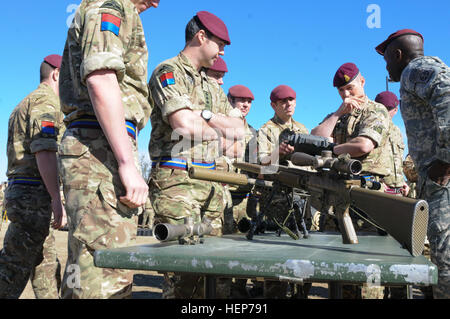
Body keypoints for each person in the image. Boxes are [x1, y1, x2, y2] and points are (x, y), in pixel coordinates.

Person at [58, 0, 160, 299]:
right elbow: (101, 78)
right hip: (100, 148)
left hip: (101, 144)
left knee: (92, 267)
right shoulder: (112, 7)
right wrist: (127, 163)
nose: (157, 3)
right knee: (103, 274)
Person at [148, 11, 244, 299]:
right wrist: (217, 128)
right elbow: (183, 124)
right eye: (220, 43)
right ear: (201, 36)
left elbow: (238, 129)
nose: (223, 52)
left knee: (216, 275)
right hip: (177, 182)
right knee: (182, 277)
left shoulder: (210, 87)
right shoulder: (168, 71)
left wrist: (204, 115)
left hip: (212, 187)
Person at [376, 28, 449, 299]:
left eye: (387, 61)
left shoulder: (415, 70)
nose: (387, 69)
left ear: (398, 55)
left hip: (443, 179)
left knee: (445, 254)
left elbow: (448, 94)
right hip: (435, 180)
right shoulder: (420, 73)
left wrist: (446, 159)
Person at [311, 62, 392, 299]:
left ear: (363, 82)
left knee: (369, 271)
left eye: (351, 88)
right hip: (338, 194)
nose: (347, 95)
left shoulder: (375, 111)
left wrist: (333, 150)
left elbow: (364, 145)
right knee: (340, 269)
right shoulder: (339, 115)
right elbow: (315, 136)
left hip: (368, 196)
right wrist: (338, 113)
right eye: (341, 91)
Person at [0, 54, 66, 299]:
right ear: (57, 74)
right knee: (12, 270)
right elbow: (45, 151)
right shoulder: (46, 102)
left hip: (26, 193)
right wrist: (56, 199)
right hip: (34, 197)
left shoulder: (23, 103)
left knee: (46, 267)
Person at [257, 85, 310, 299]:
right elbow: (262, 164)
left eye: (292, 100)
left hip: (303, 195)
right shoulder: (266, 130)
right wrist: (279, 152)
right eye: (283, 101)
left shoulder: (302, 129)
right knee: (277, 254)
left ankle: (301, 294)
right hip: (277, 198)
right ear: (273, 105)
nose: (289, 104)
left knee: (305, 253)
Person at [374, 91, 409, 197]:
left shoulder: (397, 132)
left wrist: (402, 181)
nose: (385, 113)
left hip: (398, 191)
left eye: (388, 109)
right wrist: (375, 182)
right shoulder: (373, 128)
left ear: (396, 110)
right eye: (382, 108)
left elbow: (397, 159)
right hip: (378, 190)